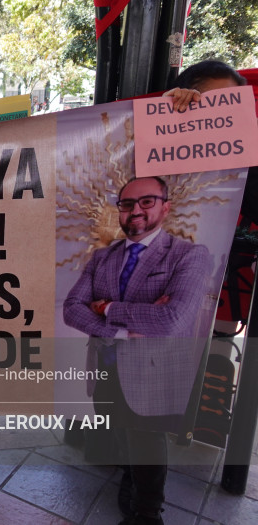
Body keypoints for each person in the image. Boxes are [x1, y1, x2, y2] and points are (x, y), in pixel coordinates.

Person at [63, 176, 213, 525]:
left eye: (147, 202)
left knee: (146, 441)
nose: (136, 211)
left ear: (165, 206)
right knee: (118, 428)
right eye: (127, 204)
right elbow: (72, 309)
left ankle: (148, 513)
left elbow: (172, 319)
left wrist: (107, 307)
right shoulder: (103, 257)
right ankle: (129, 478)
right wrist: (124, 329)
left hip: (151, 370)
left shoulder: (188, 256)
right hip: (105, 363)